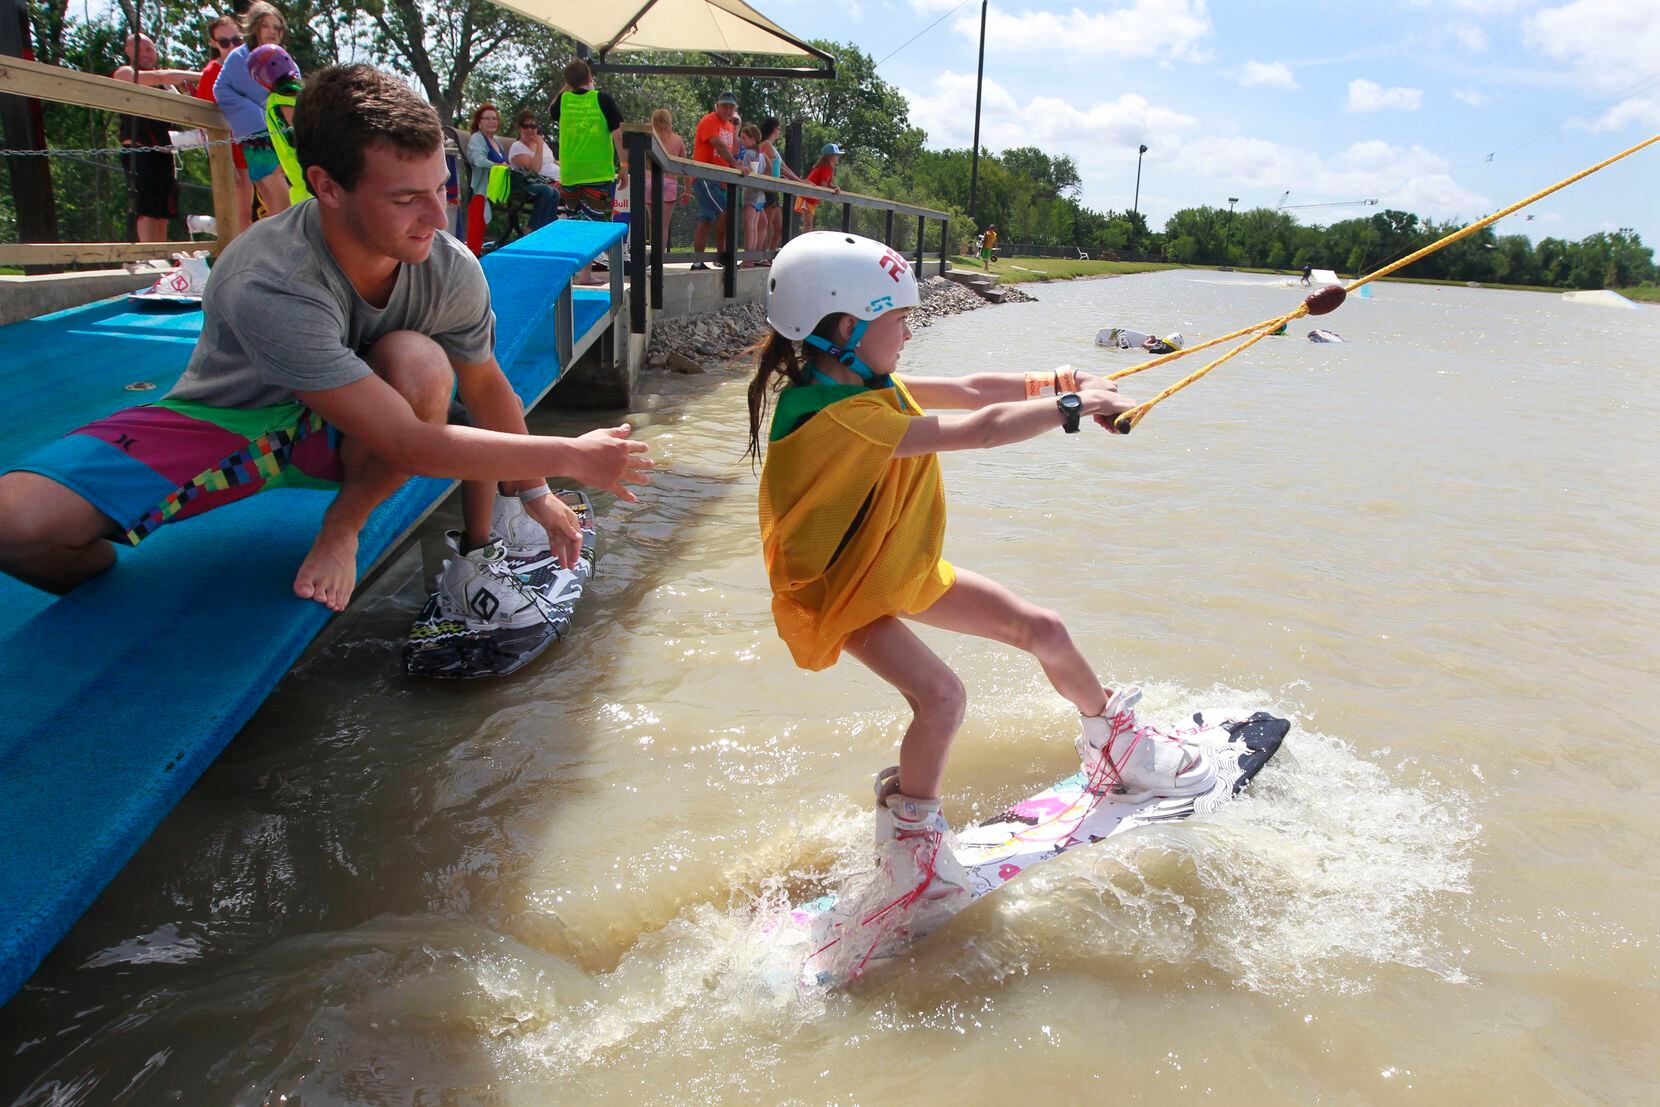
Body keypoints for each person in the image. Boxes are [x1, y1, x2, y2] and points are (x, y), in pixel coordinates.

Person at [0, 64, 653, 621]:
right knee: (16, 525)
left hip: (343, 444)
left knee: (422, 362)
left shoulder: (449, 268)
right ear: (327, 186)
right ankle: (109, 605)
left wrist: (531, 499)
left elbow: (485, 389)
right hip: (236, 418)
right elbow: (410, 442)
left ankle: (361, 525)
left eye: (441, 190)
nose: (437, 218)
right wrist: (573, 453)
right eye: (406, 199)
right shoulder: (269, 276)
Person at [745, 232, 1219, 954]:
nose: (911, 327)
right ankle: (911, 855)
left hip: (892, 563)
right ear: (842, 328)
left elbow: (973, 390)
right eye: (898, 317)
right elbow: (979, 429)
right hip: (845, 589)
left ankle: (1119, 750)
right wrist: (1067, 408)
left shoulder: (864, 384)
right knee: (942, 697)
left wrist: (1061, 380)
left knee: (1045, 628)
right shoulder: (839, 415)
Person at [110, 33, 199, 244]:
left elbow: (185, 111)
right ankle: (149, 255)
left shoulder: (169, 86)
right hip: (140, 149)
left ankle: (162, 256)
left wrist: (190, 90)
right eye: (139, 49)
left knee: (164, 209)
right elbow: (160, 76)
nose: (145, 54)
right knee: (147, 206)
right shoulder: (125, 73)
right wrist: (203, 75)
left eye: (149, 49)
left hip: (165, 152)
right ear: (127, 51)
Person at [213, 1, 293, 218]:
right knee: (277, 189)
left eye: (277, 28)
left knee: (273, 193)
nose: (272, 32)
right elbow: (267, 95)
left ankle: (278, 243)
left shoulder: (276, 55)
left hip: (265, 129)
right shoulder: (242, 57)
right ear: (256, 26)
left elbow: (290, 89)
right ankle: (286, 240)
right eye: (266, 26)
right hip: (255, 131)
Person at [192, 14, 254, 233]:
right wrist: (226, 163)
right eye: (224, 42)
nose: (231, 47)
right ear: (213, 43)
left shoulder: (251, 65)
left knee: (256, 212)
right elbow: (205, 123)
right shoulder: (210, 74)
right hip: (229, 150)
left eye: (236, 41)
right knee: (239, 215)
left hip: (254, 145)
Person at [552, 58, 625, 223]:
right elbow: (618, 135)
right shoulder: (603, 100)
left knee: (574, 222)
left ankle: (576, 249)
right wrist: (624, 165)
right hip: (597, 173)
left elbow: (552, 109)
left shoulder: (563, 101)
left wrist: (568, 84)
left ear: (569, 82)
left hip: (570, 173)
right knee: (592, 223)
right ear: (590, 77)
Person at [690, 91, 750, 270]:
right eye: (725, 105)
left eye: (732, 107)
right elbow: (718, 144)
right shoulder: (709, 120)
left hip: (718, 179)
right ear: (717, 105)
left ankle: (698, 261)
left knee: (707, 218)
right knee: (725, 211)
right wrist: (734, 163)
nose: (728, 109)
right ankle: (722, 255)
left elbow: (726, 153)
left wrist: (734, 164)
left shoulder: (730, 127)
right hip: (705, 177)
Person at [248, 44, 309, 205]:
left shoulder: (276, 100)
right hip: (316, 181)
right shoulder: (308, 94)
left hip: (306, 186)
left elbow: (298, 134)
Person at [506, 111, 562, 232]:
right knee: (547, 191)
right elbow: (534, 169)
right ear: (520, 128)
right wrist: (540, 146)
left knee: (556, 192)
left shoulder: (542, 144)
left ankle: (548, 229)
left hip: (552, 180)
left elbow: (553, 162)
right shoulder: (517, 147)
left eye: (533, 126)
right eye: (526, 126)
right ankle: (531, 229)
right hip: (526, 183)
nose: (530, 129)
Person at [463, 102, 507, 256]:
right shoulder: (477, 138)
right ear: (479, 122)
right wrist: (498, 166)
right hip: (482, 189)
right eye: (487, 118)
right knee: (476, 227)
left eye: (494, 118)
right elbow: (478, 160)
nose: (491, 121)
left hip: (498, 189)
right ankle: (473, 257)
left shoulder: (498, 141)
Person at [757, 116, 804, 253]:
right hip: (767, 189)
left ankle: (769, 257)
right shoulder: (765, 144)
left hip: (774, 189)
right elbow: (780, 168)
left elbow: (783, 167)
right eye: (779, 128)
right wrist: (798, 181)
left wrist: (799, 180)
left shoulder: (772, 146)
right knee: (766, 227)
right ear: (774, 129)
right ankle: (759, 256)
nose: (780, 131)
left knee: (779, 229)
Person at [645, 108, 689, 253]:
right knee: (663, 225)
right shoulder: (677, 140)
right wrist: (687, 190)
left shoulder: (648, 136)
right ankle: (659, 258)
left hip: (648, 181)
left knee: (654, 222)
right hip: (669, 182)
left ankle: (653, 256)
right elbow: (685, 167)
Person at [737, 123, 769, 267]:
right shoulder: (761, 155)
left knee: (749, 227)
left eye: (744, 138)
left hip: (750, 195)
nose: (742, 141)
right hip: (760, 195)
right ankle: (751, 256)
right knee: (754, 227)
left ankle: (748, 258)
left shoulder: (749, 154)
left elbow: (745, 171)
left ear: (752, 139)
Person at [794, 143, 841, 233]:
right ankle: (805, 245)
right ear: (830, 156)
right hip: (807, 197)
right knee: (808, 225)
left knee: (808, 225)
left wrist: (835, 188)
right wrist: (832, 190)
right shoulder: (826, 167)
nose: (838, 157)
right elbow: (824, 185)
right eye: (837, 154)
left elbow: (828, 184)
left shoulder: (828, 168)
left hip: (811, 198)